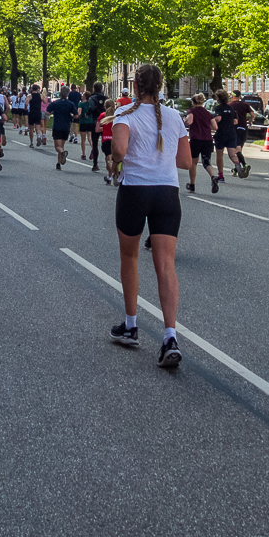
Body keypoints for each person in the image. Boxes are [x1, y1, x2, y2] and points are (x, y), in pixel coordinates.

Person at [107, 65, 191, 367]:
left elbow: (119, 149)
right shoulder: (174, 116)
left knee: (130, 258)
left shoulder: (124, 114)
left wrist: (115, 159)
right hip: (167, 193)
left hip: (135, 192)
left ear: (135, 85)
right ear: (161, 86)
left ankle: (131, 325)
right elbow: (184, 161)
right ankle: (170, 335)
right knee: (166, 265)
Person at [214, 91, 254, 181]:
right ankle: (237, 164)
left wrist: (213, 121)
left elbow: (219, 118)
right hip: (231, 133)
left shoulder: (218, 108)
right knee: (232, 154)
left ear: (218, 98)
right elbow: (235, 121)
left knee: (219, 155)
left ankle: (221, 176)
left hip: (221, 133)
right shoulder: (231, 109)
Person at [184, 93, 219, 194]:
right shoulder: (208, 113)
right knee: (206, 162)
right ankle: (213, 176)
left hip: (196, 140)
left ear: (193, 102)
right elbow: (215, 127)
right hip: (207, 140)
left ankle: (192, 185)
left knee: (193, 163)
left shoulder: (191, 111)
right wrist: (207, 127)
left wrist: (185, 121)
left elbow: (190, 122)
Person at [47, 86, 78, 170]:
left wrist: (52, 112)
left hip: (57, 126)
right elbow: (76, 115)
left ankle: (62, 153)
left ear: (60, 93)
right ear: (68, 93)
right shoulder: (70, 104)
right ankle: (58, 163)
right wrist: (71, 115)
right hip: (66, 127)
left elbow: (47, 112)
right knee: (62, 145)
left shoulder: (55, 103)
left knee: (57, 146)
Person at [98, 100, 118, 185]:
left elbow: (97, 129)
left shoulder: (103, 115)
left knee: (109, 161)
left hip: (106, 140)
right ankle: (110, 177)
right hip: (115, 140)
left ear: (105, 106)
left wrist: (105, 128)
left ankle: (114, 175)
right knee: (112, 160)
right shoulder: (117, 116)